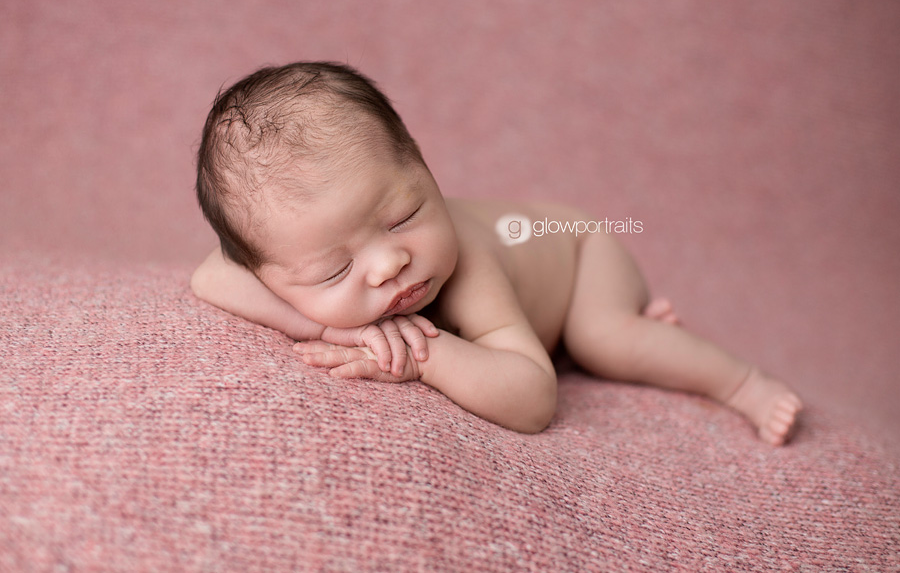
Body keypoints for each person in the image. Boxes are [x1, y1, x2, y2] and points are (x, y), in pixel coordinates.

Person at [191, 61, 802, 443]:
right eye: (335, 269)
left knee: (603, 340)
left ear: (425, 167)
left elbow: (534, 399)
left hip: (575, 249)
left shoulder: (467, 266)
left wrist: (426, 356)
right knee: (581, 346)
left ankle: (744, 383)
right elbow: (209, 278)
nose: (389, 264)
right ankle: (622, 331)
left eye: (405, 216)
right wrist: (334, 330)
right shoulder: (282, 262)